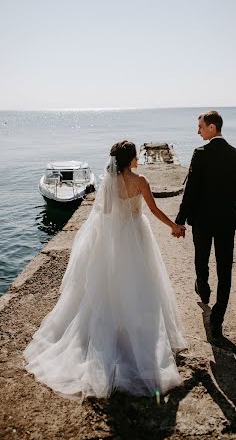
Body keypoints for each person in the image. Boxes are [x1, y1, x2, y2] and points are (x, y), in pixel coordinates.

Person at [23, 140, 187, 401]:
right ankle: (140, 337)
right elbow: (154, 210)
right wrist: (174, 227)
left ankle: (115, 333)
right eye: (136, 156)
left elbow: (104, 214)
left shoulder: (109, 183)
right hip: (137, 236)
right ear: (132, 158)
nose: (138, 159)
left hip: (115, 239)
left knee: (113, 286)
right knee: (142, 285)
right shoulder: (141, 180)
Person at [175, 111, 236, 339]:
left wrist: (179, 220)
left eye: (200, 126)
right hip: (226, 220)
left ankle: (204, 291)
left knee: (201, 258)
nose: (198, 131)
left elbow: (191, 191)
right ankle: (217, 318)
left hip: (203, 220)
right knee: (224, 269)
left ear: (212, 128)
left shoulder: (200, 154)